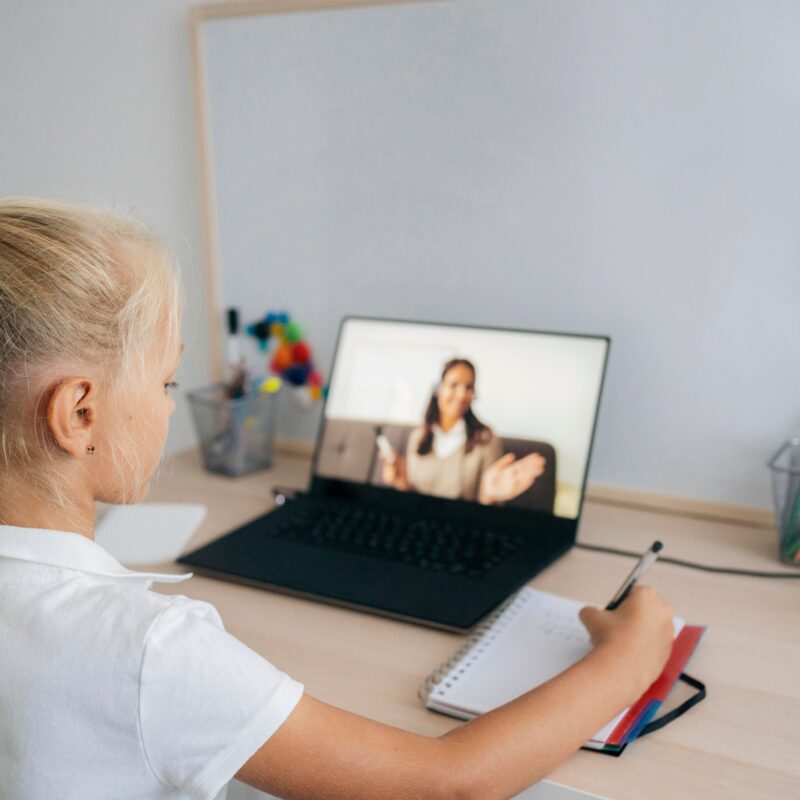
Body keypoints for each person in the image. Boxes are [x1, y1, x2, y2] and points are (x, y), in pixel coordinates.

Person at [0, 199, 674, 800]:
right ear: (80, 414)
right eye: (168, 382)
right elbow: (448, 786)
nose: (172, 405)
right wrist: (630, 660)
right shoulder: (149, 652)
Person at [380, 358, 547, 504]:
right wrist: (400, 481)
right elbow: (411, 495)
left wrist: (490, 495)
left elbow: (486, 505)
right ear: (439, 388)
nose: (461, 395)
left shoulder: (487, 440)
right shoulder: (418, 436)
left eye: (468, 387)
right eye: (454, 385)